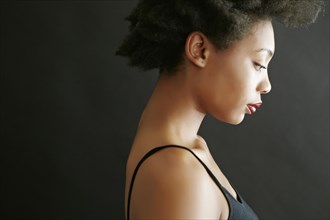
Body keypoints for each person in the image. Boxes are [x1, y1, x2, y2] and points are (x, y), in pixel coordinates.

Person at [116, 1, 324, 219]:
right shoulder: (179, 171)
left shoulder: (185, 150)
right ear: (200, 50)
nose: (267, 85)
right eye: (259, 64)